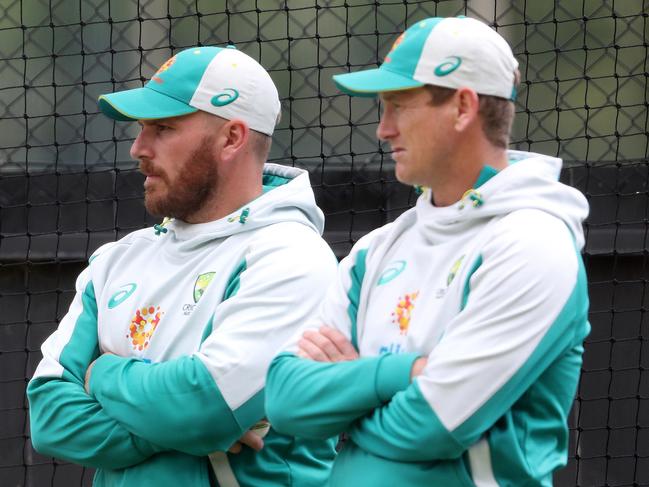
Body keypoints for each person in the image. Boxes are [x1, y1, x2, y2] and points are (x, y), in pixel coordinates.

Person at [265, 16, 590, 486]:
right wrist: (401, 375)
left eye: (398, 106)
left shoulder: (533, 244)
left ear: (462, 107)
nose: (383, 129)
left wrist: (346, 395)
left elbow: (433, 427)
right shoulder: (378, 248)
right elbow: (286, 401)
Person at [27, 45, 338, 487]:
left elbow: (204, 407)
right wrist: (177, 429)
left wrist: (102, 373)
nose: (138, 148)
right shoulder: (118, 259)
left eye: (163, 128)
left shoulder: (290, 256)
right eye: (141, 128)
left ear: (232, 137)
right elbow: (50, 417)